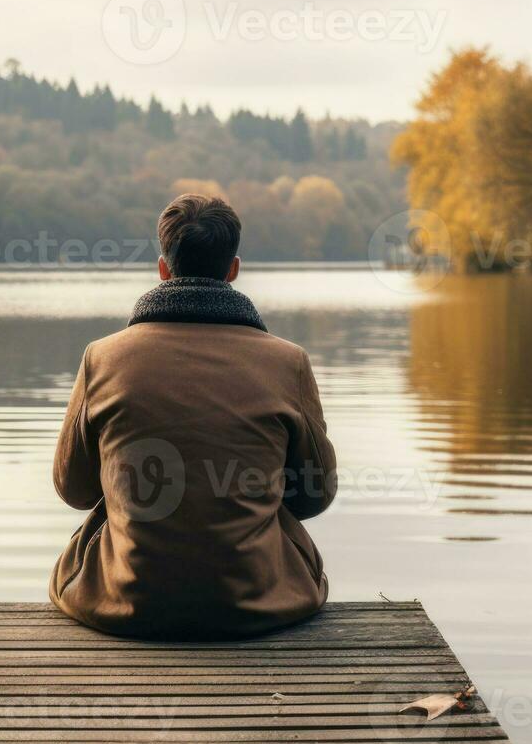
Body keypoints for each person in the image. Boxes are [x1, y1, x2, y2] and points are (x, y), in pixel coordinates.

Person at [48, 194, 337, 639]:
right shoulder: (288, 362)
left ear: (163, 269)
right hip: (259, 604)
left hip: (126, 603)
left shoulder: (102, 359)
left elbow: (75, 490)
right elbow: (314, 497)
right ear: (233, 269)